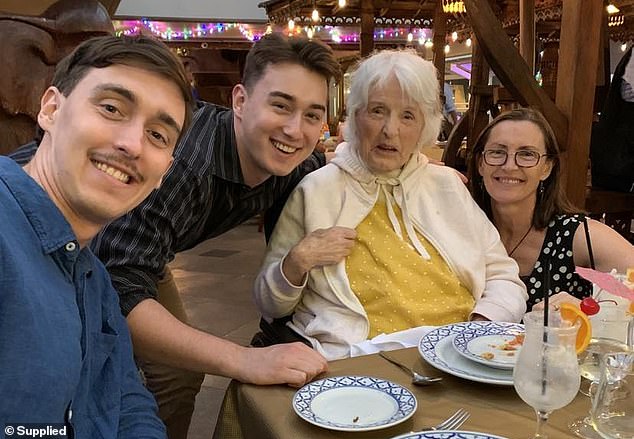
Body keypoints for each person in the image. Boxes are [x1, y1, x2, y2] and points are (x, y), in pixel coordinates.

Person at [62, 33, 337, 439]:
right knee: (71, 383)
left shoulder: (290, 161)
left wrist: (421, 172)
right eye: (280, 105)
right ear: (240, 101)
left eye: (312, 115)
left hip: (136, 255)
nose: (295, 130)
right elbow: (120, 291)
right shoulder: (185, 168)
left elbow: (329, 161)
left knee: (175, 378)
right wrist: (244, 360)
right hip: (76, 249)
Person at [252, 50, 527, 360]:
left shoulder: (447, 186)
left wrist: (480, 329)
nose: (390, 130)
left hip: (460, 355)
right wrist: (297, 262)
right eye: (377, 111)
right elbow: (269, 304)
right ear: (355, 115)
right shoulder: (316, 190)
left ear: (425, 126)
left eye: (407, 116)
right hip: (362, 361)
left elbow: (503, 276)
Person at [0, 34, 195, 437]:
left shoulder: (94, 279)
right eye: (111, 108)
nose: (131, 145)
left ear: (165, 172)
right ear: (51, 109)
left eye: (158, 135)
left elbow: (125, 400)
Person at [467, 108, 634, 311]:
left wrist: (589, 310)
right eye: (497, 152)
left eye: (527, 154)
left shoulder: (577, 235)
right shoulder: (459, 229)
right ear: (480, 164)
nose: (509, 165)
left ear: (547, 168)